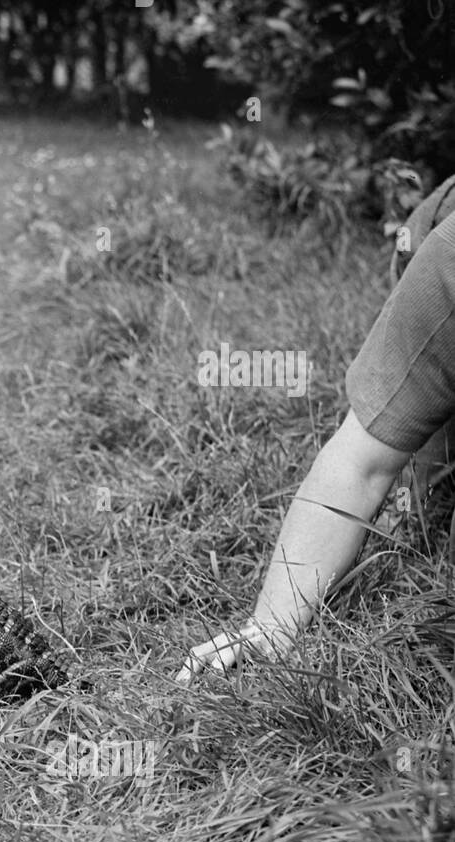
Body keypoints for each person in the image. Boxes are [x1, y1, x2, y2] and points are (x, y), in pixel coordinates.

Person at [178, 179, 455, 681]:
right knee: (416, 478)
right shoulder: (449, 257)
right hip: (433, 247)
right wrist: (272, 626)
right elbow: (362, 464)